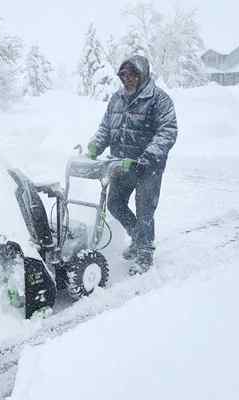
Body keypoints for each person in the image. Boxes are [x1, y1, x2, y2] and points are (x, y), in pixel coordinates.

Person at [87, 55, 178, 274]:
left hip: (148, 166)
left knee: (145, 209)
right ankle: (138, 238)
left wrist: (147, 158)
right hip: (121, 164)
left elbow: (167, 132)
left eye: (133, 74)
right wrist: (93, 148)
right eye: (124, 75)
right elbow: (106, 128)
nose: (128, 79)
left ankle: (144, 252)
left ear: (143, 74)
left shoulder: (159, 99)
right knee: (115, 204)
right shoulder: (117, 99)